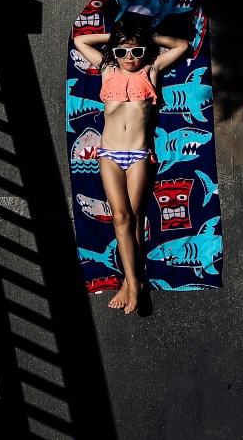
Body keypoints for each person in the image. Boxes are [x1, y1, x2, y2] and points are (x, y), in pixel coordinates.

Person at [73, 18, 190, 314]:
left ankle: (130, 281)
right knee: (120, 218)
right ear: (114, 52)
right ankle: (135, 283)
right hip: (109, 154)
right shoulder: (106, 69)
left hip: (137, 155)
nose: (130, 58)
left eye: (136, 52)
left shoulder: (151, 70)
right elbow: (80, 41)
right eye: (123, 52)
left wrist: (148, 39)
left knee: (135, 219)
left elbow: (181, 45)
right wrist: (115, 38)